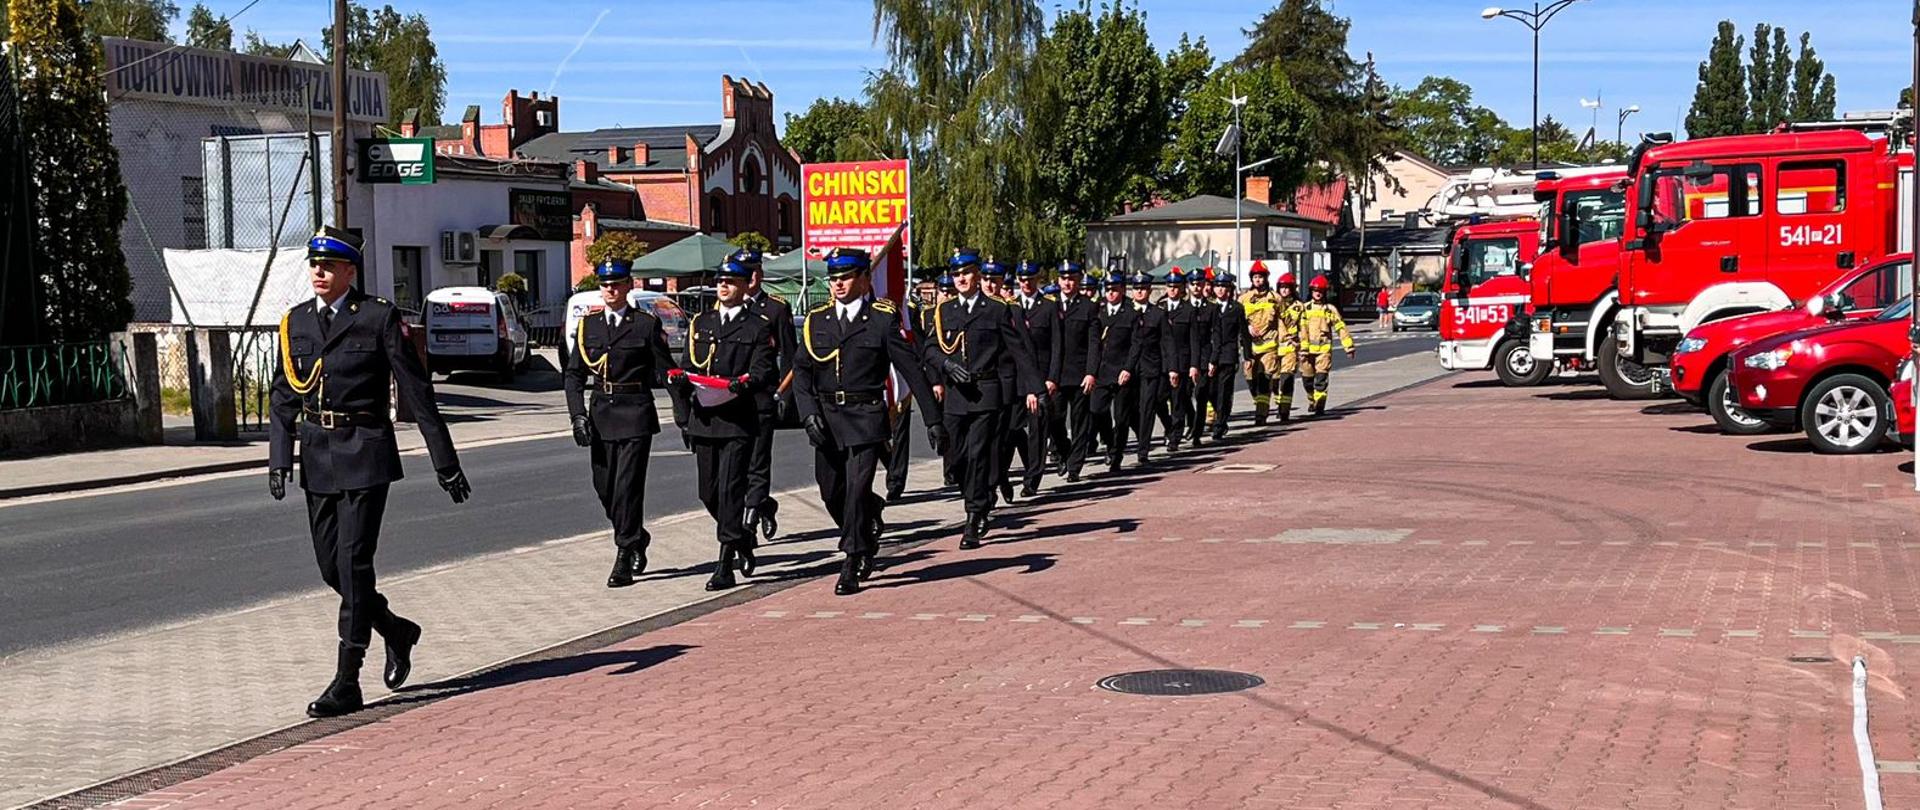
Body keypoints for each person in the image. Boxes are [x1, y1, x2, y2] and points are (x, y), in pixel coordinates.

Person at [268, 227, 471, 718]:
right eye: (314, 265)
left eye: (329, 266)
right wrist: (280, 459)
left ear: (349, 272)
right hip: (317, 455)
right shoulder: (295, 322)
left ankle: (347, 679)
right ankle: (396, 630)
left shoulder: (378, 318)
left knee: (355, 565)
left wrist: (445, 461)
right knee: (330, 569)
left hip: (365, 452)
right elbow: (282, 398)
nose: (318, 272)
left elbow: (417, 392)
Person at [792, 248, 947, 595]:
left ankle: (851, 559)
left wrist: (933, 420)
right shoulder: (818, 319)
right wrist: (808, 413)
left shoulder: (880, 319)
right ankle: (870, 518)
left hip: (865, 417)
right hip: (827, 418)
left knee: (857, 489)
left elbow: (911, 369)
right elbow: (802, 370)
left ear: (864, 279)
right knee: (832, 491)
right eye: (833, 279)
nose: (838, 285)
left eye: (845, 278)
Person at [565, 258, 678, 588]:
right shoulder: (590, 326)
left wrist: (684, 411)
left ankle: (624, 554)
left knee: (627, 489)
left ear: (629, 285)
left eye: (616, 284)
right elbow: (574, 374)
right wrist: (577, 415)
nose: (610, 290)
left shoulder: (644, 325)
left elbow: (665, 369)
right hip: (601, 415)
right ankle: (637, 535)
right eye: (604, 285)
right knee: (605, 489)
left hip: (635, 414)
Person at [671, 256, 778, 590]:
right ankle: (742, 537)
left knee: (731, 490)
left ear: (747, 285)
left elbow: (764, 372)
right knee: (708, 492)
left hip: (737, 420)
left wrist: (742, 384)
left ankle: (724, 563)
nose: (723, 286)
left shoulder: (756, 326)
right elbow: (690, 364)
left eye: (731, 282)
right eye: (720, 281)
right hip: (705, 417)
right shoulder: (701, 323)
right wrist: (682, 390)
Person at [924, 248, 1042, 547]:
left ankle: (974, 515)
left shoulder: (996, 309)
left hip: (985, 393)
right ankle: (977, 498)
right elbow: (929, 350)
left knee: (978, 454)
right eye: (956, 274)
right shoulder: (944, 311)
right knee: (956, 461)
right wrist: (946, 365)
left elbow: (1018, 350)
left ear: (977, 275)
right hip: (955, 395)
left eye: (965, 273)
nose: (961, 279)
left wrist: (1034, 387)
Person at [738, 248, 793, 542]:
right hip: (733, 400)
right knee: (739, 464)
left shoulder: (775, 308)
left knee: (758, 461)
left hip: (763, 396)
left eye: (753, 272)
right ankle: (765, 504)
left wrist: (783, 393)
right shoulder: (727, 308)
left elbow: (789, 356)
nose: (750, 278)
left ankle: (748, 525)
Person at [885, 274, 942, 500]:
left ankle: (896, 480)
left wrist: (931, 381)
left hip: (902, 381)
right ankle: (891, 467)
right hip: (878, 381)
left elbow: (918, 346)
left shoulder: (907, 312)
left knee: (899, 434)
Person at [1011, 260, 1062, 497]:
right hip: (1016, 379)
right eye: (1022, 280)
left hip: (1040, 377)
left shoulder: (1049, 307)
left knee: (1038, 430)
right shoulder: (1011, 307)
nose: (1026, 284)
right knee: (1012, 429)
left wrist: (1051, 378)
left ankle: (1032, 479)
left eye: (1030, 279)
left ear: (1037, 280)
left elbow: (1056, 345)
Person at [1045, 261, 1096, 481]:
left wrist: (1091, 372)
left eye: (1072, 278)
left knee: (1079, 422)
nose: (1068, 283)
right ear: (1059, 281)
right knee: (1054, 419)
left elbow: (1094, 343)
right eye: (1064, 278)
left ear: (1078, 281)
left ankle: (1074, 466)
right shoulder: (1050, 306)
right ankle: (1064, 451)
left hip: (1080, 373)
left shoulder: (1088, 306)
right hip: (1056, 374)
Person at [1084, 274, 1139, 475]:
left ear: (1122, 290)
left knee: (1122, 418)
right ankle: (1109, 442)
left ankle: (1116, 456)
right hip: (1102, 371)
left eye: (1114, 290)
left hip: (1122, 372)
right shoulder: (1097, 312)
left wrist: (1128, 368)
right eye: (1107, 290)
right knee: (1096, 411)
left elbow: (1136, 345)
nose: (1111, 293)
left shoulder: (1131, 313)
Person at [1126, 272, 1169, 466]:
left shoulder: (1158, 314)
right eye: (1136, 288)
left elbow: (1166, 343)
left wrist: (1170, 369)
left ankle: (1143, 449)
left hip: (1150, 367)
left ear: (1149, 290)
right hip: (1128, 368)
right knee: (1129, 409)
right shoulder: (1125, 312)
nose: (1139, 291)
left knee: (1147, 408)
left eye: (1143, 288)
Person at [1299, 275, 1356, 416]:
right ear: (1311, 291)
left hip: (1323, 351)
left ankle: (1319, 405)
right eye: (1315, 290)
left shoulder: (1330, 310)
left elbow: (1340, 328)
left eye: (1321, 291)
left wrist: (1349, 347)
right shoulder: (1304, 309)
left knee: (1321, 379)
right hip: (1306, 352)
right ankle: (1312, 399)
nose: (1318, 293)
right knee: (1307, 380)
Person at [1159, 269, 1201, 452]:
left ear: (1183, 288)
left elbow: (1194, 340)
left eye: (1176, 287)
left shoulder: (1189, 310)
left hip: (1182, 362)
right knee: (1158, 399)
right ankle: (1169, 426)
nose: (1173, 290)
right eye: (1170, 287)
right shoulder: (1160, 308)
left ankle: (1175, 437)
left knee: (1178, 401)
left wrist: (1194, 365)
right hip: (1162, 362)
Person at [1238, 262, 1282, 425]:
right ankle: (1259, 403)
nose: (1258, 280)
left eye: (1260, 277)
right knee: (1250, 379)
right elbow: (1237, 320)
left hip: (1269, 345)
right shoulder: (1243, 299)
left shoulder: (1275, 298)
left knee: (1265, 379)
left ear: (1266, 278)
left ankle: (1261, 414)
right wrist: (1247, 327)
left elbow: (1284, 321)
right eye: (1255, 277)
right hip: (1250, 347)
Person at [1205, 271, 1247, 441]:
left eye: (1224, 287)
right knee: (1210, 390)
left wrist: (1248, 357)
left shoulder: (1236, 308)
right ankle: (1220, 415)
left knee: (1224, 391)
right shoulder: (1208, 307)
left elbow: (1243, 333)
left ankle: (1220, 424)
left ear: (1229, 289)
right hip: (1211, 355)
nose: (1220, 290)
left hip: (1228, 355)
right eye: (1218, 286)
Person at [1186, 268, 1218, 445]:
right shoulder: (1183, 307)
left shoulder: (1212, 308)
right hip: (1186, 358)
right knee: (1184, 395)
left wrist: (1213, 359)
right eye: (1193, 284)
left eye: (1199, 284)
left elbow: (1216, 335)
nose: (1196, 287)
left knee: (1201, 394)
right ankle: (1191, 421)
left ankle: (1197, 433)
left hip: (1205, 358)